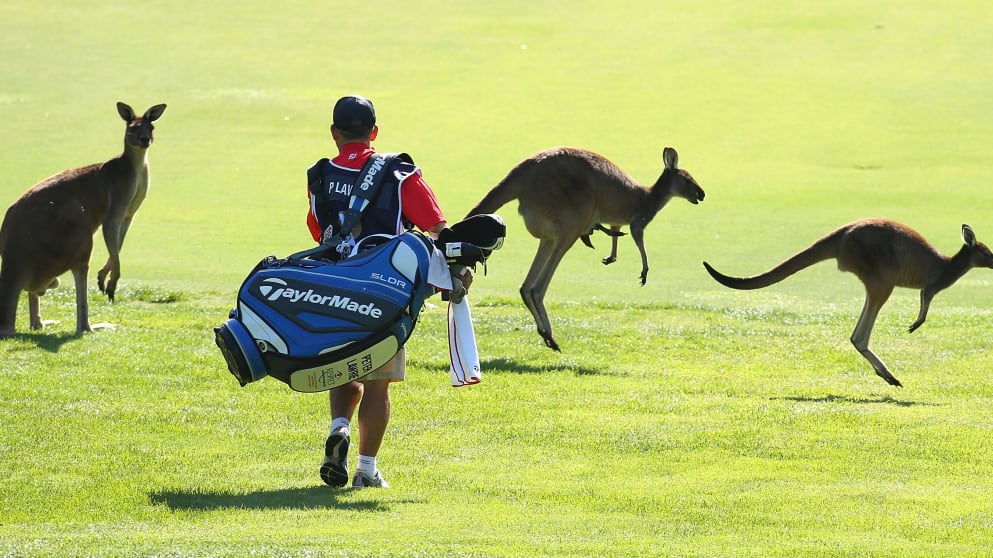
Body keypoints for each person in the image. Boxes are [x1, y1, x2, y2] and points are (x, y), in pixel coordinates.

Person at [306, 94, 457, 489]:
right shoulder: (398, 173)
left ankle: (339, 426)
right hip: (383, 291)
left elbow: (318, 231)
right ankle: (366, 471)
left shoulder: (318, 176)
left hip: (333, 285)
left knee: (343, 364)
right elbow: (438, 229)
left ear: (334, 133)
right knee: (377, 382)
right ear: (374, 132)